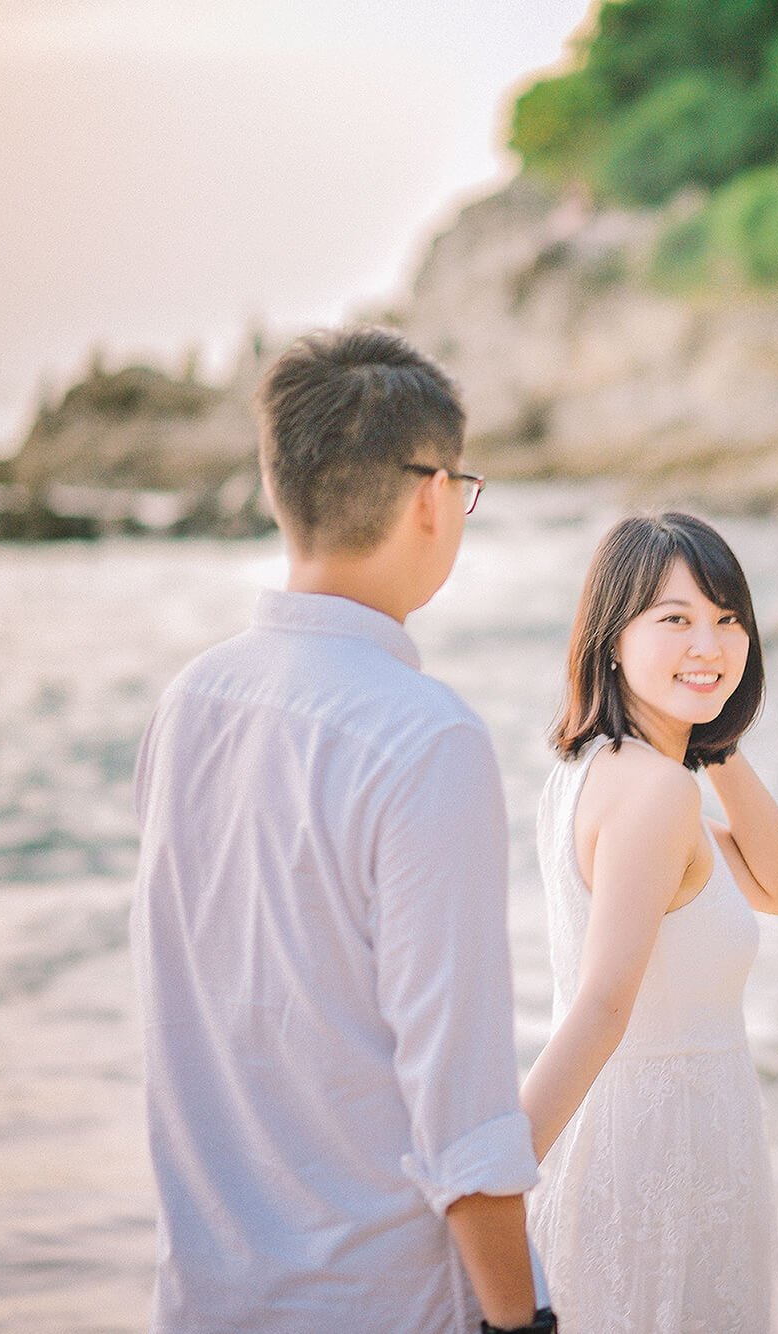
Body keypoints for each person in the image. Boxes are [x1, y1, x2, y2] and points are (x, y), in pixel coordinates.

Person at [131, 327, 553, 1334]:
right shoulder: (425, 737)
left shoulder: (188, 699)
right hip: (380, 1302)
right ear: (430, 496)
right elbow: (461, 1106)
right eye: (465, 487)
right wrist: (519, 1320)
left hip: (203, 1296)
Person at [521, 512, 778, 1334]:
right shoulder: (655, 793)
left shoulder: (601, 771)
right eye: (675, 620)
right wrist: (495, 1175)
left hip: (656, 1145)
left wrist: (710, 736)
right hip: (660, 1165)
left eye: (727, 621)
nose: (710, 644)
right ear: (612, 637)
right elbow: (604, 1004)